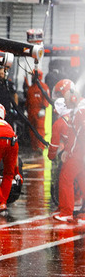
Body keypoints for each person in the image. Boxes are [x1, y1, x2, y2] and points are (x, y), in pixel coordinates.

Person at [51, 79, 85, 222]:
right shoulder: (78, 110)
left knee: (65, 177)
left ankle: (66, 212)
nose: (65, 103)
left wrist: (68, 152)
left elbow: (78, 136)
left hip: (79, 153)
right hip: (80, 153)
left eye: (64, 98)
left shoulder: (80, 112)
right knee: (82, 180)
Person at [24, 69, 50, 152]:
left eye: (33, 76)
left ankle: (40, 147)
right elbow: (28, 99)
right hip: (31, 111)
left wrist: (43, 108)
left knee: (40, 129)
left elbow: (46, 98)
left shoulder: (44, 87)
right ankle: (34, 147)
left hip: (39, 111)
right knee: (32, 130)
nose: (32, 77)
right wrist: (26, 109)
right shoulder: (31, 88)